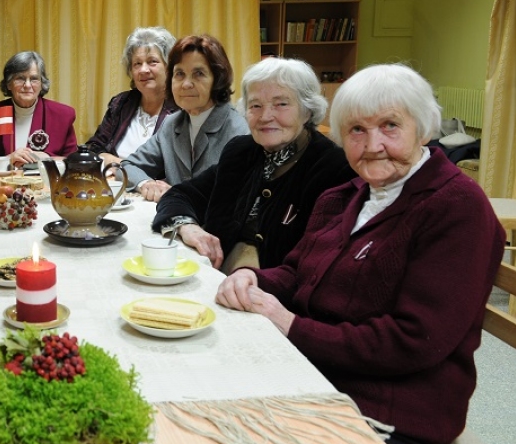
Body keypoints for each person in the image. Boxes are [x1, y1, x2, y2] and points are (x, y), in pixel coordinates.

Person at [215, 63, 505, 444]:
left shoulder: (457, 208)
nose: (372, 145)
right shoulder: (344, 196)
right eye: (356, 130)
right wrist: (250, 276)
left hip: (393, 408)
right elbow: (298, 271)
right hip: (313, 371)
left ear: (423, 129)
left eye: (390, 126)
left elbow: (414, 340)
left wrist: (291, 325)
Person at [153, 57, 355, 272]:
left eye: (281, 104)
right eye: (255, 105)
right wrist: (189, 227)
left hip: (276, 297)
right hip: (214, 280)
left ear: (307, 109)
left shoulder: (334, 168)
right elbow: (180, 195)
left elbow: (319, 264)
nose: (266, 116)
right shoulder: (241, 152)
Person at [122, 34, 249, 200]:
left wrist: (177, 195)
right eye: (179, 74)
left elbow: (233, 199)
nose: (186, 84)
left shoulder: (238, 131)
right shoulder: (171, 123)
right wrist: (146, 183)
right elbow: (127, 166)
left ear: (217, 80)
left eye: (198, 74)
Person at [85, 27, 180, 166]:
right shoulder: (121, 103)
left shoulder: (182, 109)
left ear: (169, 66)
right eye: (137, 63)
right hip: (112, 184)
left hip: (154, 186)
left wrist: (119, 164)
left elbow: (175, 167)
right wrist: (104, 157)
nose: (143, 70)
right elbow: (94, 147)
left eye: (152, 61)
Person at [0, 50, 78, 167]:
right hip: (2, 184)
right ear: (8, 84)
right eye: (20, 78)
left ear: (42, 83)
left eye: (34, 79)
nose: (27, 85)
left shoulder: (62, 115)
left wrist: (48, 159)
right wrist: (7, 160)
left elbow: (74, 163)